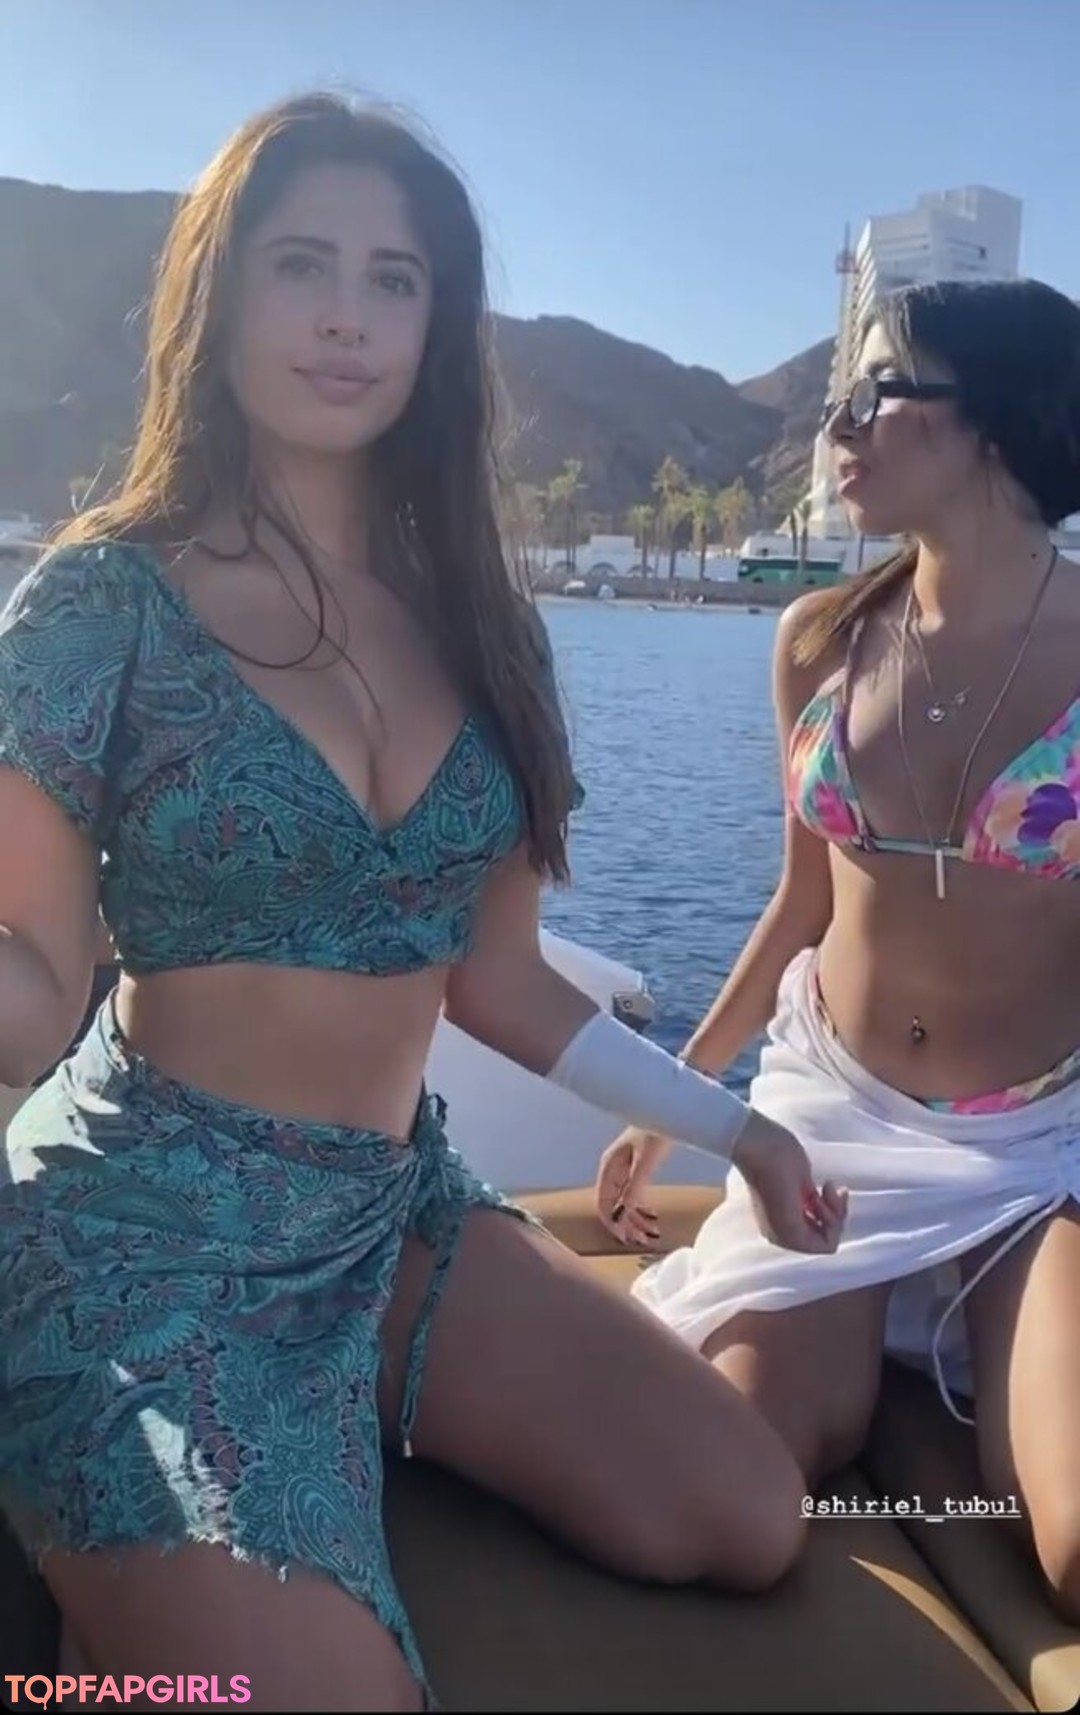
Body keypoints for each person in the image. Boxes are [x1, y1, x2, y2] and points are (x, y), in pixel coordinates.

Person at [0, 93, 842, 1712]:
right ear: (218, 296)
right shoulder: (100, 602)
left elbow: (500, 980)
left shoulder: (483, 624)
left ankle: (242, 1511)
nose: (346, 316)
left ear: (437, 326)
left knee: (745, 1517)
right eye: (300, 265)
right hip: (141, 1232)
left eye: (393, 280)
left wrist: (742, 1133)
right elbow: (34, 981)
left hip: (390, 1217)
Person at [597, 276, 1080, 1624]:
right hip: (828, 1128)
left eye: (876, 392)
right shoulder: (820, 641)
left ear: (990, 420)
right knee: (734, 1467)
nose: (840, 425)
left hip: (1033, 1148)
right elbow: (798, 907)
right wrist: (675, 1103)